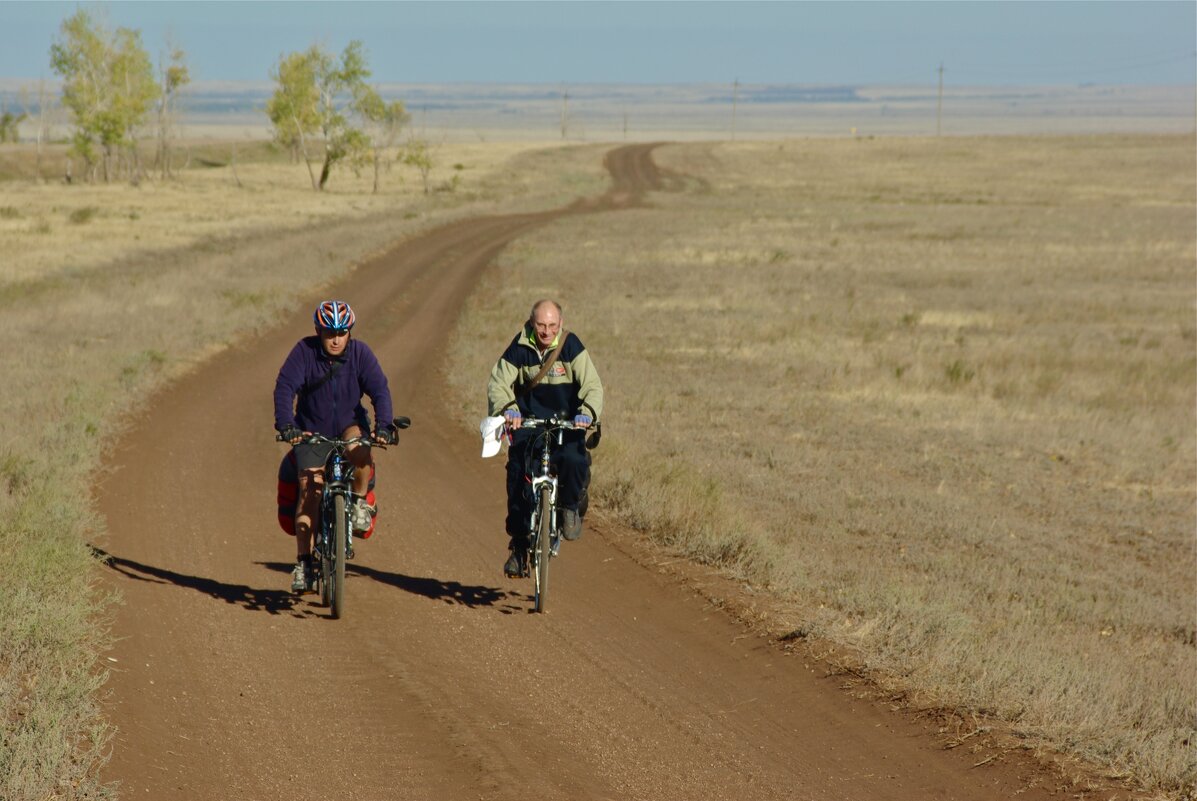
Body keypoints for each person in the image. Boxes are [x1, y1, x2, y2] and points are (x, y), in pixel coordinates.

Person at [274, 300, 397, 593]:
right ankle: (304, 562)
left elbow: (379, 389)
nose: (336, 339)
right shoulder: (304, 352)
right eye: (330, 333)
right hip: (311, 430)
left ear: (350, 332)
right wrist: (286, 424)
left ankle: (357, 502)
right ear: (319, 331)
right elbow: (284, 387)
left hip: (348, 425)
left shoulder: (360, 354)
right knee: (310, 489)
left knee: (360, 448)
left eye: (342, 332)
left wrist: (384, 426)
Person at [487, 299, 603, 577]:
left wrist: (587, 413)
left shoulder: (571, 346)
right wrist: (509, 409)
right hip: (529, 423)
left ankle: (570, 509)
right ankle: (518, 546)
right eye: (541, 325)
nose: (546, 331)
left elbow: (593, 385)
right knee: (517, 475)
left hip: (568, 423)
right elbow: (498, 383)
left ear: (560, 324)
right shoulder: (520, 347)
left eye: (552, 325)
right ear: (531, 323)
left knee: (575, 460)